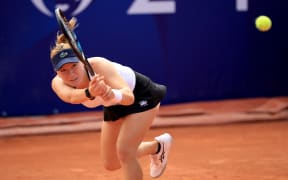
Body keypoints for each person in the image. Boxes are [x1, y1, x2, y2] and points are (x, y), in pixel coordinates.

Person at [50, 17, 173, 180]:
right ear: (57, 72)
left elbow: (128, 97)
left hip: (141, 95)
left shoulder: (99, 66)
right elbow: (72, 97)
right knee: (111, 163)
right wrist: (91, 92)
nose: (71, 73)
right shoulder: (57, 83)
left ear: (81, 61)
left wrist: (111, 94)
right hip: (113, 104)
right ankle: (157, 147)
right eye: (63, 70)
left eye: (74, 65)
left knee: (125, 153)